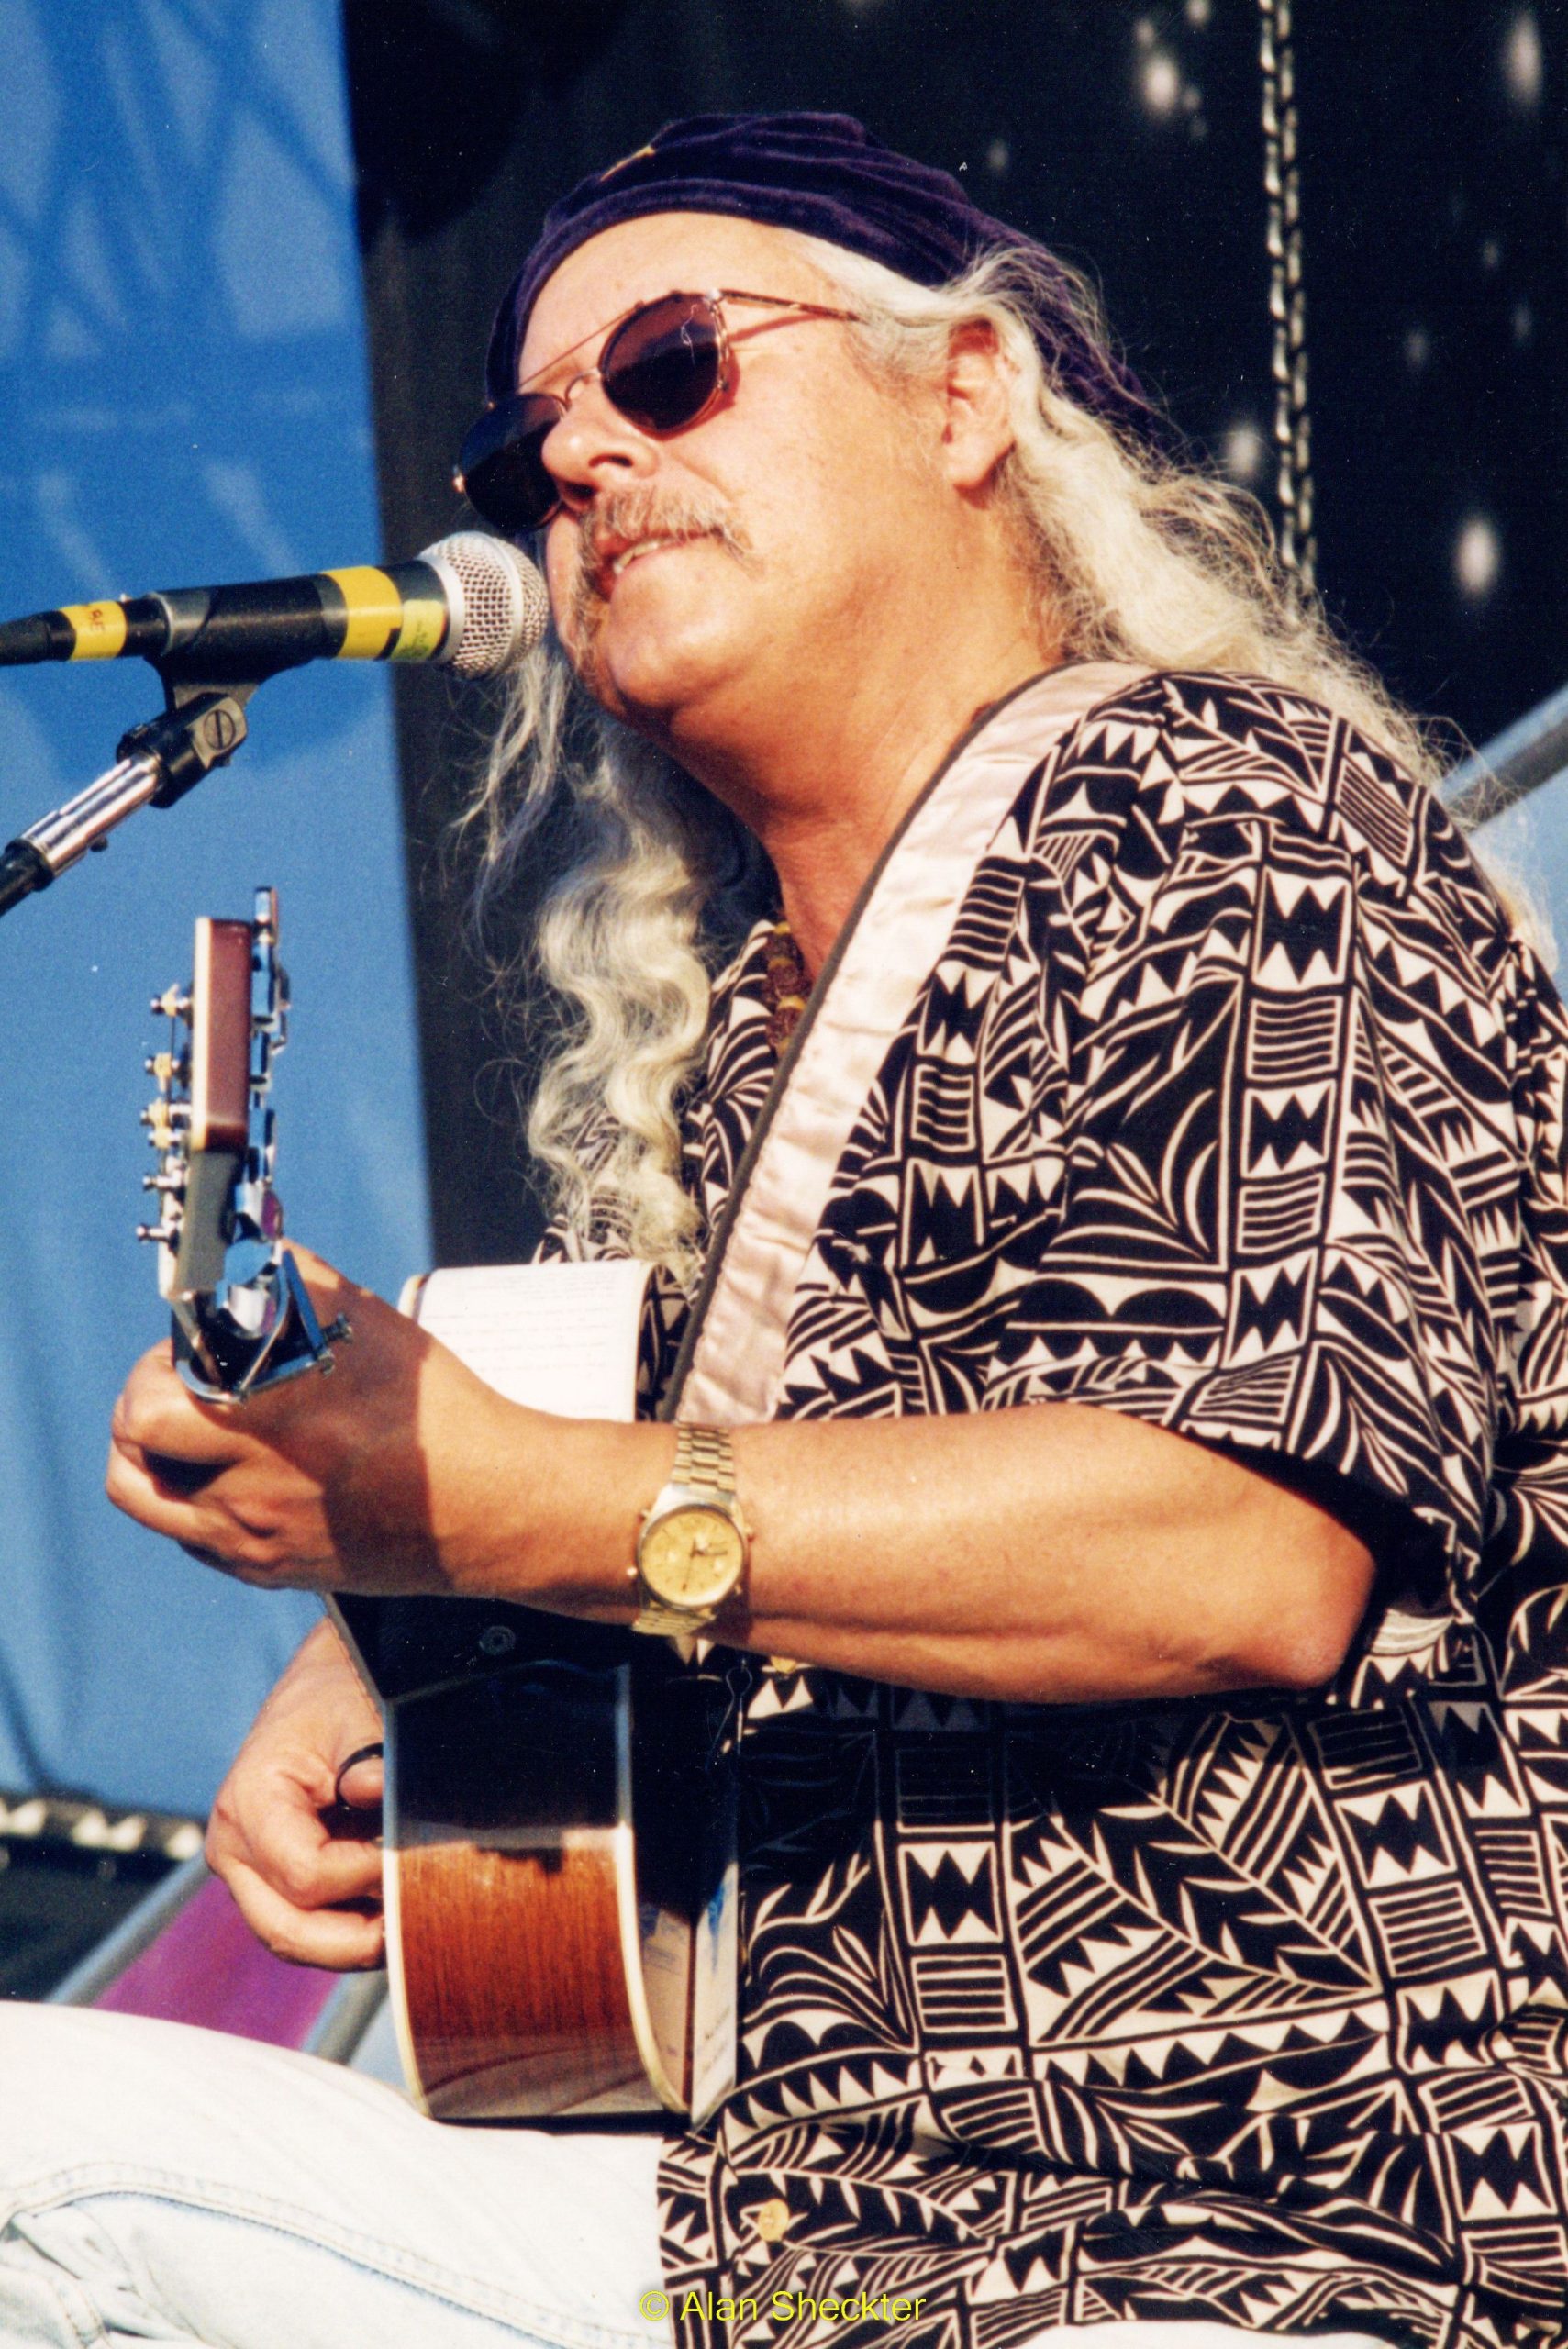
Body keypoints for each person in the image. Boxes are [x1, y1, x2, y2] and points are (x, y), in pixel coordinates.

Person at [2, 110, 1565, 2349]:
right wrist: (387, 1626)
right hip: (818, 2252)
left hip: (1252, 2241)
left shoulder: (1222, 817)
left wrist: (509, 1496)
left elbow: (1239, 1543)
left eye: (665, 369)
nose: (583, 470)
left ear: (964, 396)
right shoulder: (743, 1056)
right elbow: (693, 1519)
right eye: (520, 447)